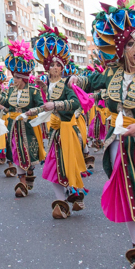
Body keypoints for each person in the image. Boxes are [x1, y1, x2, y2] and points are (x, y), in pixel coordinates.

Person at [69, 0, 135, 269]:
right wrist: (76, 79)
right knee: (130, 188)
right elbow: (90, 80)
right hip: (118, 140)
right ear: (121, 48)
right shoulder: (111, 73)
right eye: (130, 44)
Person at [32, 25, 86, 218]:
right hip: (54, 133)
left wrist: (55, 105)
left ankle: (75, 194)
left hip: (67, 131)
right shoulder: (49, 85)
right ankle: (61, 201)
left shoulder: (67, 83)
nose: (54, 68)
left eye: (58, 65)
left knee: (69, 164)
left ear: (62, 68)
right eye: (51, 65)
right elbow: (48, 104)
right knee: (53, 166)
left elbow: (74, 102)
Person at [0, 41, 46, 198]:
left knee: (29, 153)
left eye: (15, 77)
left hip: (30, 128)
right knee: (17, 151)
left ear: (22, 79)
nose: (13, 80)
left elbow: (42, 107)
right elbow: (7, 104)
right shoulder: (11, 91)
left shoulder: (34, 92)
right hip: (14, 127)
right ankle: (21, 181)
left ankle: (29, 173)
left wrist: (31, 113)